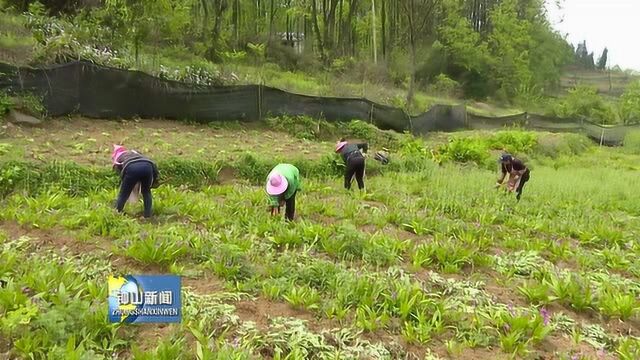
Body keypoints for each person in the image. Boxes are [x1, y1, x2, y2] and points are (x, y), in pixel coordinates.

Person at [111, 145, 159, 218]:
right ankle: (148, 215)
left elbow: (120, 173)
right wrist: (155, 180)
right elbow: (153, 167)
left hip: (131, 167)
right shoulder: (135, 153)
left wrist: (124, 184)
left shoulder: (118, 158)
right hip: (148, 166)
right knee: (146, 192)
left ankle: (117, 212)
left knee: (123, 194)